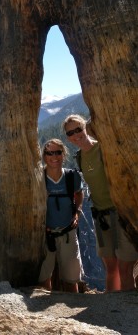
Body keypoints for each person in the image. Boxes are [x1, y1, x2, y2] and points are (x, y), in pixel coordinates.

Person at [63, 114, 138, 291]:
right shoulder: (80, 156)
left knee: (125, 267)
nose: (76, 135)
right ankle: (112, 308)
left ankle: (128, 311)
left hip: (122, 214)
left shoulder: (104, 148)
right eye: (70, 132)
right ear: (68, 138)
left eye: (78, 129)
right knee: (111, 268)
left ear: (86, 128)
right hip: (101, 216)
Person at [38, 139, 84, 293]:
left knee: (71, 280)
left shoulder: (71, 176)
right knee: (44, 279)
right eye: (49, 153)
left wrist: (77, 212)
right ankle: (48, 314)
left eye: (58, 152)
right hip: (45, 236)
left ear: (63, 154)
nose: (54, 157)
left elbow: (79, 193)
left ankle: (69, 315)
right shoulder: (39, 178)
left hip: (68, 232)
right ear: (44, 156)